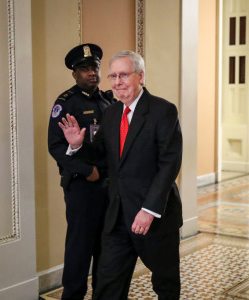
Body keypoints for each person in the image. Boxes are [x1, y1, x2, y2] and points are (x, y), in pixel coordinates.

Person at [59, 50, 183, 299]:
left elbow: (169, 165)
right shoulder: (112, 113)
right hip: (117, 217)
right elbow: (102, 155)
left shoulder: (163, 111)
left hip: (153, 217)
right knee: (108, 284)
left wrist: (148, 211)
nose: (117, 82)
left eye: (124, 75)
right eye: (113, 76)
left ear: (141, 76)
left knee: (165, 284)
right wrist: (77, 146)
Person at [48, 43, 114, 300]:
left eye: (94, 67)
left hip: (110, 185)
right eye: (84, 69)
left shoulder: (108, 101)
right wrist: (88, 171)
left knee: (106, 246)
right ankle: (73, 296)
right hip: (82, 186)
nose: (91, 73)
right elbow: (55, 147)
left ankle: (103, 294)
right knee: (79, 247)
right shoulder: (66, 103)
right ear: (74, 74)